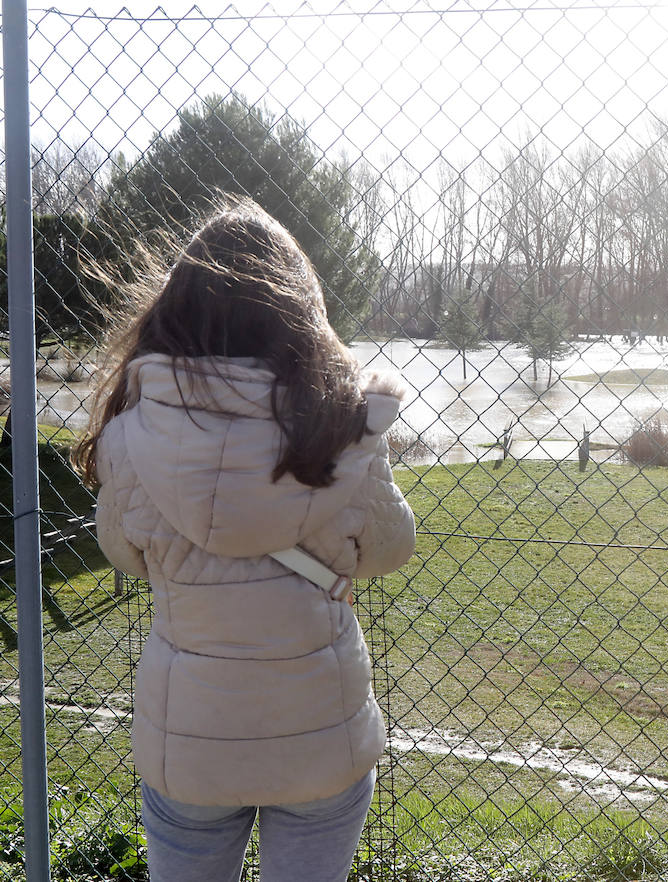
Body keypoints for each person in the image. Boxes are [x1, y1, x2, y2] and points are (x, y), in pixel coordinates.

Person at [74, 200, 416, 882]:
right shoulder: (344, 434)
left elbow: (125, 556)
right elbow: (389, 549)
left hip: (190, 744)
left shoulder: (129, 439)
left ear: (174, 312)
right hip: (321, 734)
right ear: (301, 313)